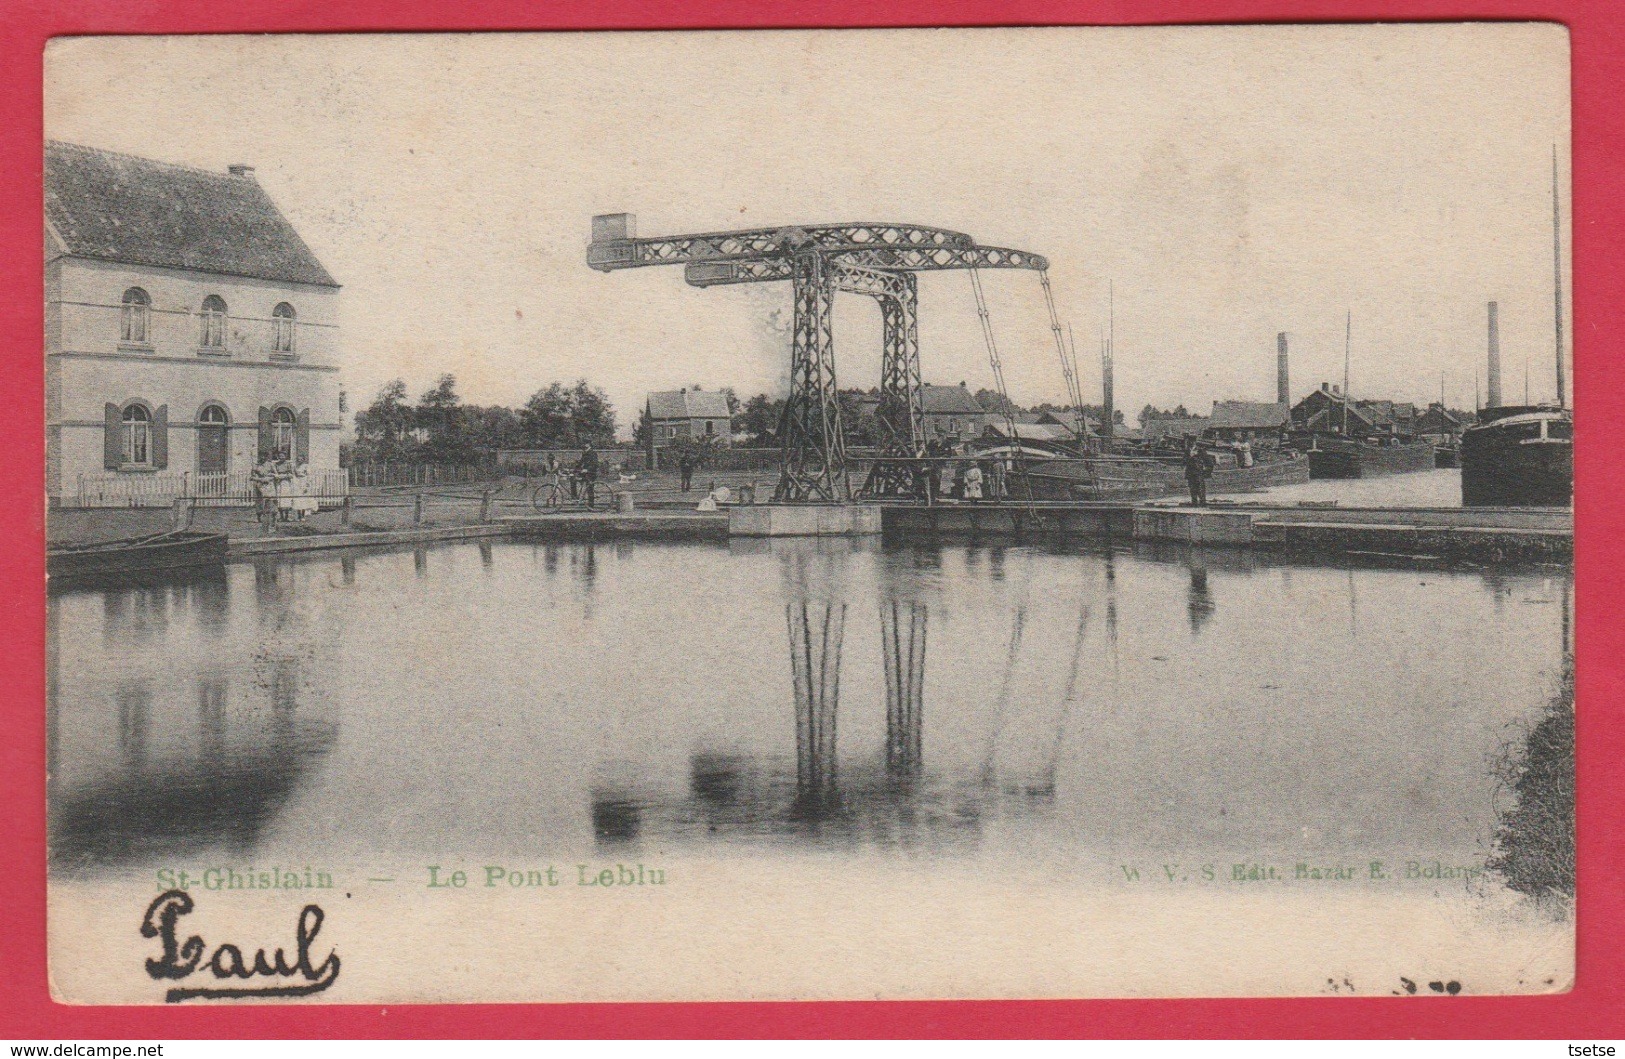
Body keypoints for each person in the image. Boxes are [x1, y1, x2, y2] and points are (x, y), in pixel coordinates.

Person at [1183, 439, 1211, 507]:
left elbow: (1208, 461)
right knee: (1192, 488)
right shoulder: (1187, 451)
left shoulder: (1200, 450)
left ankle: (1203, 502)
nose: (1190, 443)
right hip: (1190, 472)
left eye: (1192, 441)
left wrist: (1206, 470)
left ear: (1195, 442)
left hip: (1198, 472)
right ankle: (1194, 502)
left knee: (1200, 487)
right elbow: (1184, 461)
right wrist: (1190, 456)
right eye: (1189, 441)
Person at [577, 441, 600, 507]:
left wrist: (587, 469)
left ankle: (591, 505)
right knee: (573, 479)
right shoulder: (584, 452)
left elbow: (595, 464)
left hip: (591, 472)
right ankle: (577, 498)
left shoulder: (593, 453)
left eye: (585, 443)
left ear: (589, 444)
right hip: (584, 472)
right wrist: (574, 469)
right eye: (583, 443)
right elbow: (580, 463)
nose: (584, 445)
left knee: (590, 488)